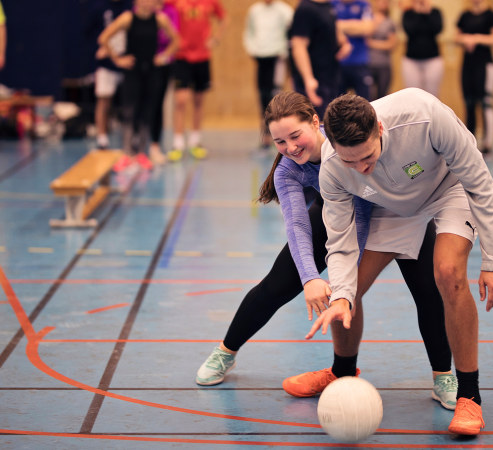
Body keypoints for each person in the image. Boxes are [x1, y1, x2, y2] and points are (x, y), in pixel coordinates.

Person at [196, 90, 458, 410]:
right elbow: (297, 227)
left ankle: (444, 375)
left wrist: (348, 275)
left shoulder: (345, 140)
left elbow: (363, 213)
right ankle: (226, 351)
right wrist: (310, 278)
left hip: (395, 212)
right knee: (275, 286)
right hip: (333, 216)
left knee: (427, 292)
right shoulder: (287, 170)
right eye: (280, 142)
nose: (290, 148)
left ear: (316, 123)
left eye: (296, 136)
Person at [310, 89, 493, 435]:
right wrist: (341, 293)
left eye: (367, 156)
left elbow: (478, 181)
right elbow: (340, 242)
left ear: (381, 128)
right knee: (346, 291)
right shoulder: (331, 167)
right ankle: (341, 372)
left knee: (447, 272)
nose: (361, 168)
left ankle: (469, 396)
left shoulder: (425, 115)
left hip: (449, 190)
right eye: (350, 162)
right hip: (390, 208)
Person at [98, 0, 179, 170]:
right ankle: (127, 152)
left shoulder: (160, 19)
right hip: (132, 71)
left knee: (147, 112)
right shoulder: (128, 18)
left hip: (151, 71)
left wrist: (163, 57)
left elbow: (176, 41)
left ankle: (142, 152)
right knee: (129, 111)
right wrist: (117, 59)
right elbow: (104, 38)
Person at [166, 0, 226, 162]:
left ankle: (195, 141)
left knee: (198, 100)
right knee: (181, 100)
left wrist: (215, 38)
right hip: (181, 57)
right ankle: (178, 143)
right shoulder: (174, 2)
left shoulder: (210, 2)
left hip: (202, 57)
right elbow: (161, 12)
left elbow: (223, 18)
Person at [243, 0, 294, 150]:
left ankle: (277, 135)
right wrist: (252, 49)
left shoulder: (284, 11)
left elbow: (291, 34)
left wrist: (284, 52)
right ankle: (265, 136)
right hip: (261, 58)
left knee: (274, 96)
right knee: (262, 95)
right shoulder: (255, 10)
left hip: (277, 57)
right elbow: (249, 32)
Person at [289, 0, 352, 119]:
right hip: (315, 81)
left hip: (330, 77)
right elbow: (298, 46)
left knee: (330, 123)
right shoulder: (305, 9)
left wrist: (345, 44)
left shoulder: (328, 6)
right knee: (316, 123)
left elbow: (334, 31)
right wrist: (308, 79)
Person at [456, 0, 493, 155]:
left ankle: (488, 143)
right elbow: (457, 36)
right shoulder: (465, 15)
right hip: (468, 64)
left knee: (486, 103)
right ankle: (471, 141)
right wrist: (465, 39)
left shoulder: (491, 15)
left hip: (485, 64)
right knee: (469, 103)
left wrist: (476, 38)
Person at [91, 0, 132, 151]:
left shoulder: (129, 7)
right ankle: (102, 137)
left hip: (127, 61)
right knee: (104, 100)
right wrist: (106, 52)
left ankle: (131, 137)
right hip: (106, 63)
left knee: (130, 103)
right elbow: (94, 35)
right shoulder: (99, 7)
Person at [148, 0, 179, 165]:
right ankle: (136, 149)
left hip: (162, 65)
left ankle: (155, 145)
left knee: (156, 104)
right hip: (143, 64)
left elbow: (175, 39)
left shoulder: (169, 12)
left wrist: (163, 57)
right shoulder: (142, 10)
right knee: (140, 106)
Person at [400, 0, 443, 98]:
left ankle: (431, 114)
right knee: (413, 95)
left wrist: (427, 13)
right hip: (411, 60)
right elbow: (409, 30)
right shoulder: (408, 13)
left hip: (433, 59)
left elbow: (438, 29)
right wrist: (418, 13)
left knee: (432, 95)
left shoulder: (435, 12)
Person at [333, 0, 374, 100]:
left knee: (365, 102)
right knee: (336, 103)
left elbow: (367, 29)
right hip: (337, 63)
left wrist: (339, 25)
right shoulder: (332, 4)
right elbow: (328, 26)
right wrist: (356, 25)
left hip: (359, 63)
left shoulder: (363, 4)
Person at [365, 0, 397, 101]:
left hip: (383, 65)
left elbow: (391, 44)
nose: (383, 3)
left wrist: (372, 43)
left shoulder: (390, 22)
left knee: (382, 97)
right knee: (368, 97)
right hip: (368, 63)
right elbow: (364, 37)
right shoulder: (368, 19)